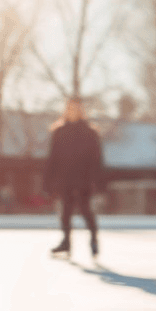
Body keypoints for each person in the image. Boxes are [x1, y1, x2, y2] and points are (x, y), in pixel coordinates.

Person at [44, 97, 104, 258]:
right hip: (65, 178)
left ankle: (93, 240)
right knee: (65, 212)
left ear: (81, 111)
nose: (73, 111)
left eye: (77, 108)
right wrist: (49, 180)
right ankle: (66, 242)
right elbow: (53, 157)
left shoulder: (90, 132)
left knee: (86, 211)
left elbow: (97, 159)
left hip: (84, 179)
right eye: (70, 108)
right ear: (66, 110)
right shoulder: (59, 130)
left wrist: (97, 181)